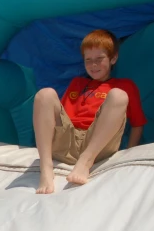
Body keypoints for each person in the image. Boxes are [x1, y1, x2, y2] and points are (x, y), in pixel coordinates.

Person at [32, 29, 147, 193]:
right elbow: (59, 117)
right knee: (45, 94)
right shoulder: (77, 83)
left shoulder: (125, 85)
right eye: (88, 60)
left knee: (119, 95)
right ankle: (45, 166)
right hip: (68, 143)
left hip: (98, 145)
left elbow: (137, 124)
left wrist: (128, 153)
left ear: (113, 58)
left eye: (100, 59)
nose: (94, 65)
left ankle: (85, 162)